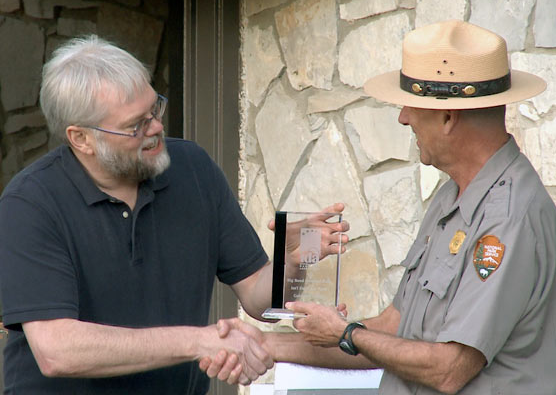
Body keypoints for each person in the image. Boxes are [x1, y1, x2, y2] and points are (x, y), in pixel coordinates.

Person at [202, 20, 556, 394]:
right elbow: (392, 329)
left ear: (449, 117)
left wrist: (345, 333)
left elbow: (450, 369)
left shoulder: (510, 216)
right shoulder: (453, 196)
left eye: (411, 105)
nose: (403, 117)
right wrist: (268, 344)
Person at [0, 35, 348, 394]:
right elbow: (57, 350)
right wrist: (200, 341)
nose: (155, 128)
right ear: (81, 139)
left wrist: (292, 261)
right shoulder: (31, 203)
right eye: (135, 125)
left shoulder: (193, 168)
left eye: (155, 109)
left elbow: (259, 300)